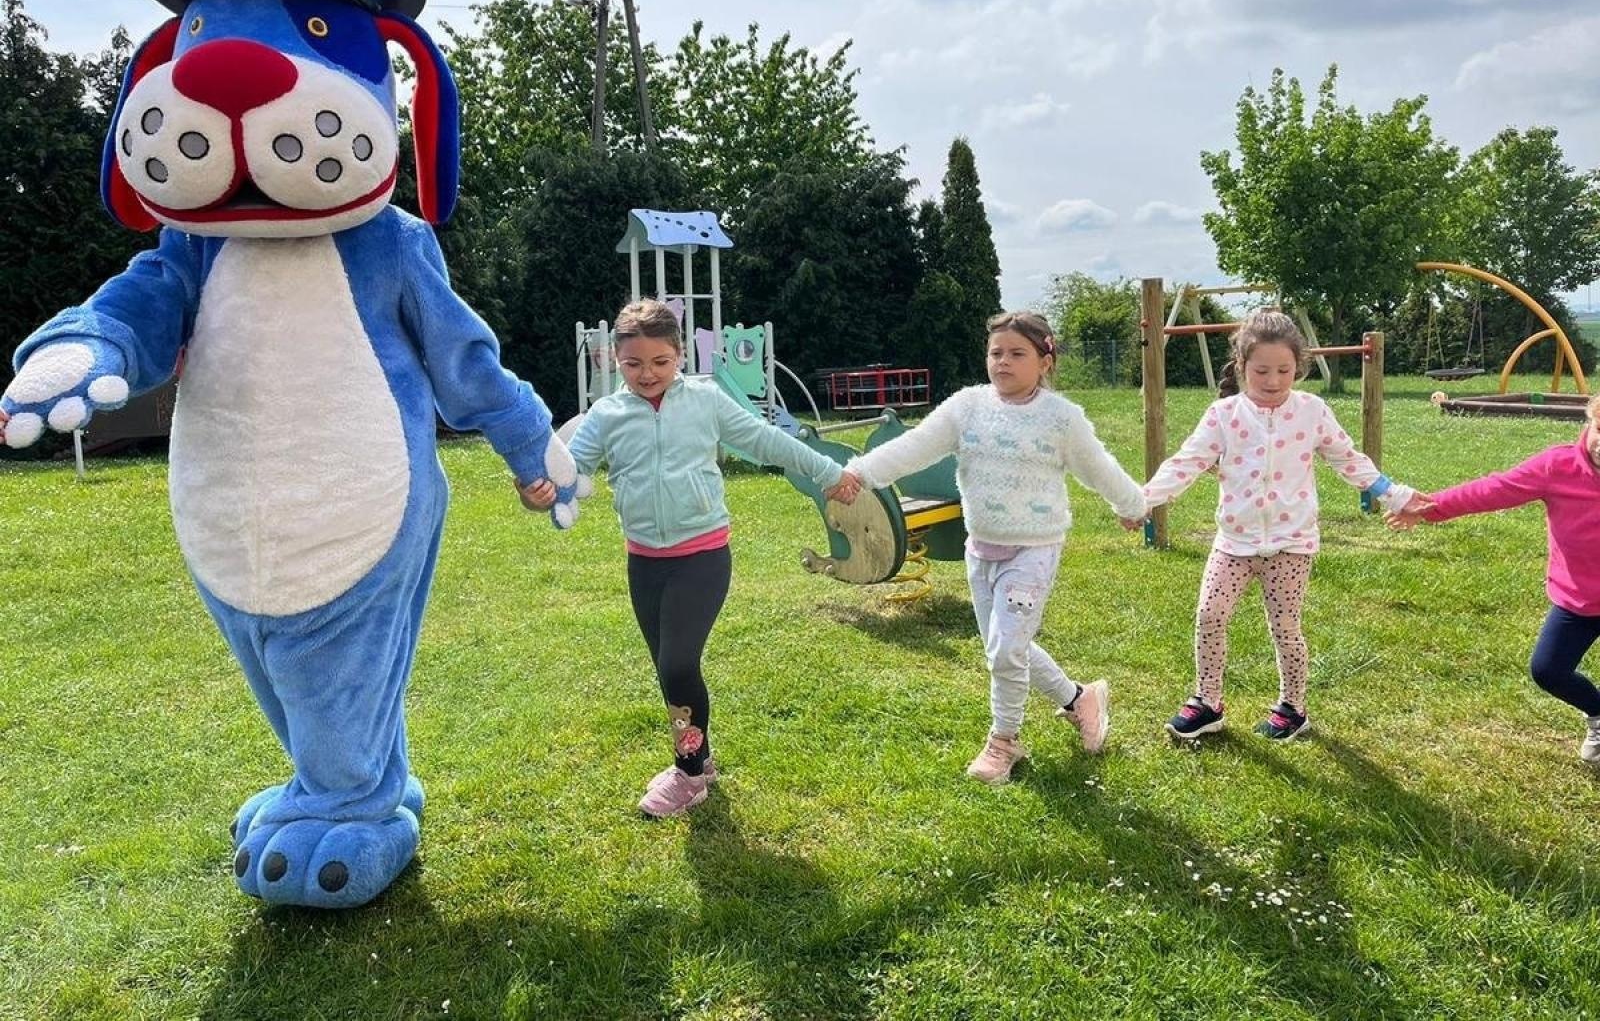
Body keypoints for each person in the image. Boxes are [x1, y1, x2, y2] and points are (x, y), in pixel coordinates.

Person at [530, 299, 858, 818]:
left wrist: (829, 473)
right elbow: (570, 469)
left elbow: (765, 439)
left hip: (702, 556)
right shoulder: (607, 414)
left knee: (677, 663)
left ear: (680, 355)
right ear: (616, 360)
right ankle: (699, 758)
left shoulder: (705, 401)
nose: (648, 374)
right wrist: (541, 491)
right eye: (635, 364)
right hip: (644, 562)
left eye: (661, 362)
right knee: (671, 672)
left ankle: (687, 778)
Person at [843, 311, 1145, 784]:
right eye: (995, 352)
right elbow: (916, 446)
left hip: (1034, 551)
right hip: (981, 549)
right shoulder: (967, 407)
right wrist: (859, 474)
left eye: (1017, 353)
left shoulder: (1061, 419)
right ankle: (1079, 698)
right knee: (1005, 646)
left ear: (1045, 361)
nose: (1002, 361)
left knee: (1005, 651)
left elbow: (1098, 467)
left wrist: (1132, 503)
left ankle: (1004, 743)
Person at [1143, 310, 1425, 741]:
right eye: (1261, 371)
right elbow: (1187, 462)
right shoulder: (1223, 415)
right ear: (1241, 368)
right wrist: (1143, 500)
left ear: (1299, 368)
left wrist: (1397, 494)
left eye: (1284, 371)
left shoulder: (1311, 411)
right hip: (1234, 543)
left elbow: (1349, 460)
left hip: (1292, 544)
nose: (1273, 381)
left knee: (1285, 627)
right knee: (1210, 615)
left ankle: (1292, 708)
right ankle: (1207, 702)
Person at [1389, 394, 1600, 764]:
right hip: (1579, 599)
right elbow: (1495, 489)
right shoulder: (1558, 466)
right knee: (1548, 670)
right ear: (1590, 420)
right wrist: (1432, 508)